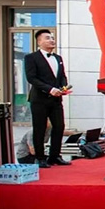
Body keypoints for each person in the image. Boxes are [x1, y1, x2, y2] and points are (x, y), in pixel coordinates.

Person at [23, 29, 69, 168]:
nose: (51, 40)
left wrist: (63, 88)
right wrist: (50, 89)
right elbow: (31, 78)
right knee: (40, 128)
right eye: (48, 38)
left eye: (52, 38)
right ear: (39, 42)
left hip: (56, 100)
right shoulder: (31, 58)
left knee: (59, 127)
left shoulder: (58, 58)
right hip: (39, 99)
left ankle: (55, 156)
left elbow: (62, 76)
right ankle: (40, 157)